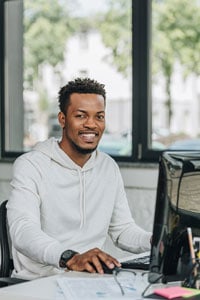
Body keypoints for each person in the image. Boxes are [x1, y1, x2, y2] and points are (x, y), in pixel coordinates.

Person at [7, 77, 151, 280]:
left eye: (99, 117)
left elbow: (123, 230)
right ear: (63, 119)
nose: (91, 124)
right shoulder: (31, 165)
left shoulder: (108, 167)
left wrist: (158, 242)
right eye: (81, 116)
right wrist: (70, 258)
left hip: (90, 280)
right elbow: (23, 231)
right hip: (37, 283)